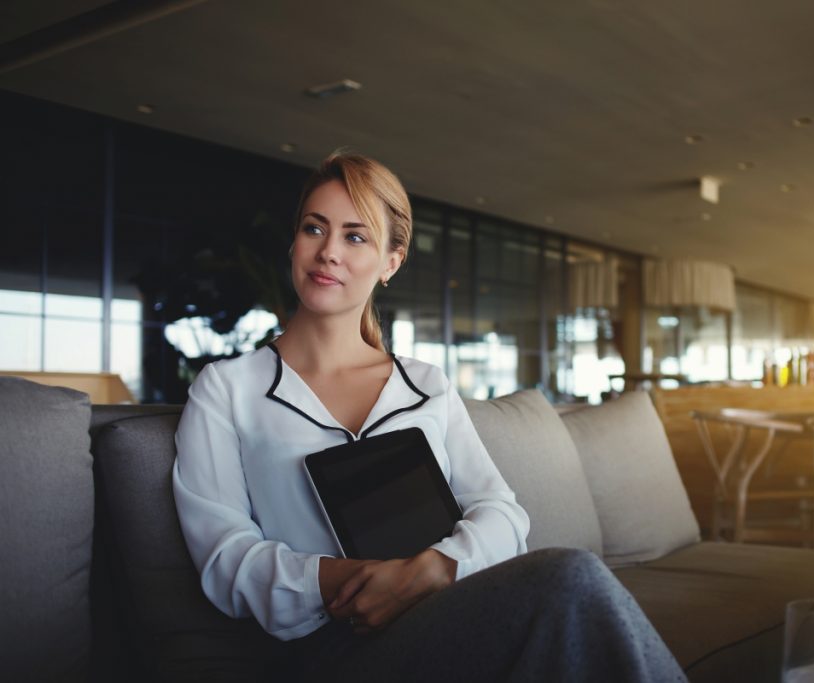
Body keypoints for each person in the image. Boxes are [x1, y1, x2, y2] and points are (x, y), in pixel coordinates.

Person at [172, 151, 686, 682]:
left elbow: (503, 513)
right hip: (324, 647)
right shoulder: (228, 387)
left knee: (571, 587)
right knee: (570, 580)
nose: (328, 252)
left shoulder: (425, 385)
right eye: (314, 228)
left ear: (390, 262)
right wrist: (364, 581)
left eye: (355, 236)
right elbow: (223, 558)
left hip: (441, 614)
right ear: (295, 242)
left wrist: (431, 570)